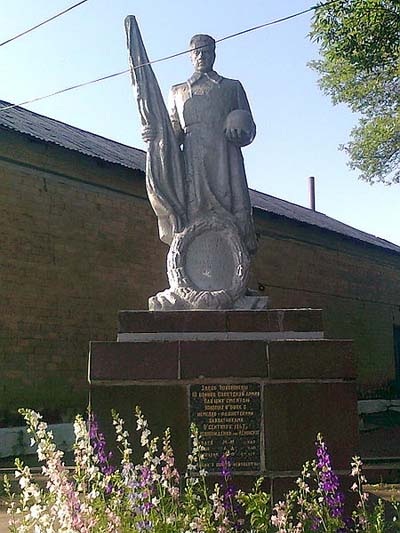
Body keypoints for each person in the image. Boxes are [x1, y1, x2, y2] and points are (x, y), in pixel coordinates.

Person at [143, 34, 257, 254]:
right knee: (194, 211)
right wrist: (152, 135)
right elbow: (171, 135)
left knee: (233, 208)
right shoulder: (178, 91)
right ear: (190, 56)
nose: (201, 56)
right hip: (193, 160)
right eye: (196, 52)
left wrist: (242, 128)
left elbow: (250, 129)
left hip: (226, 157)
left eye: (206, 51)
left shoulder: (232, 87)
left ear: (214, 54)